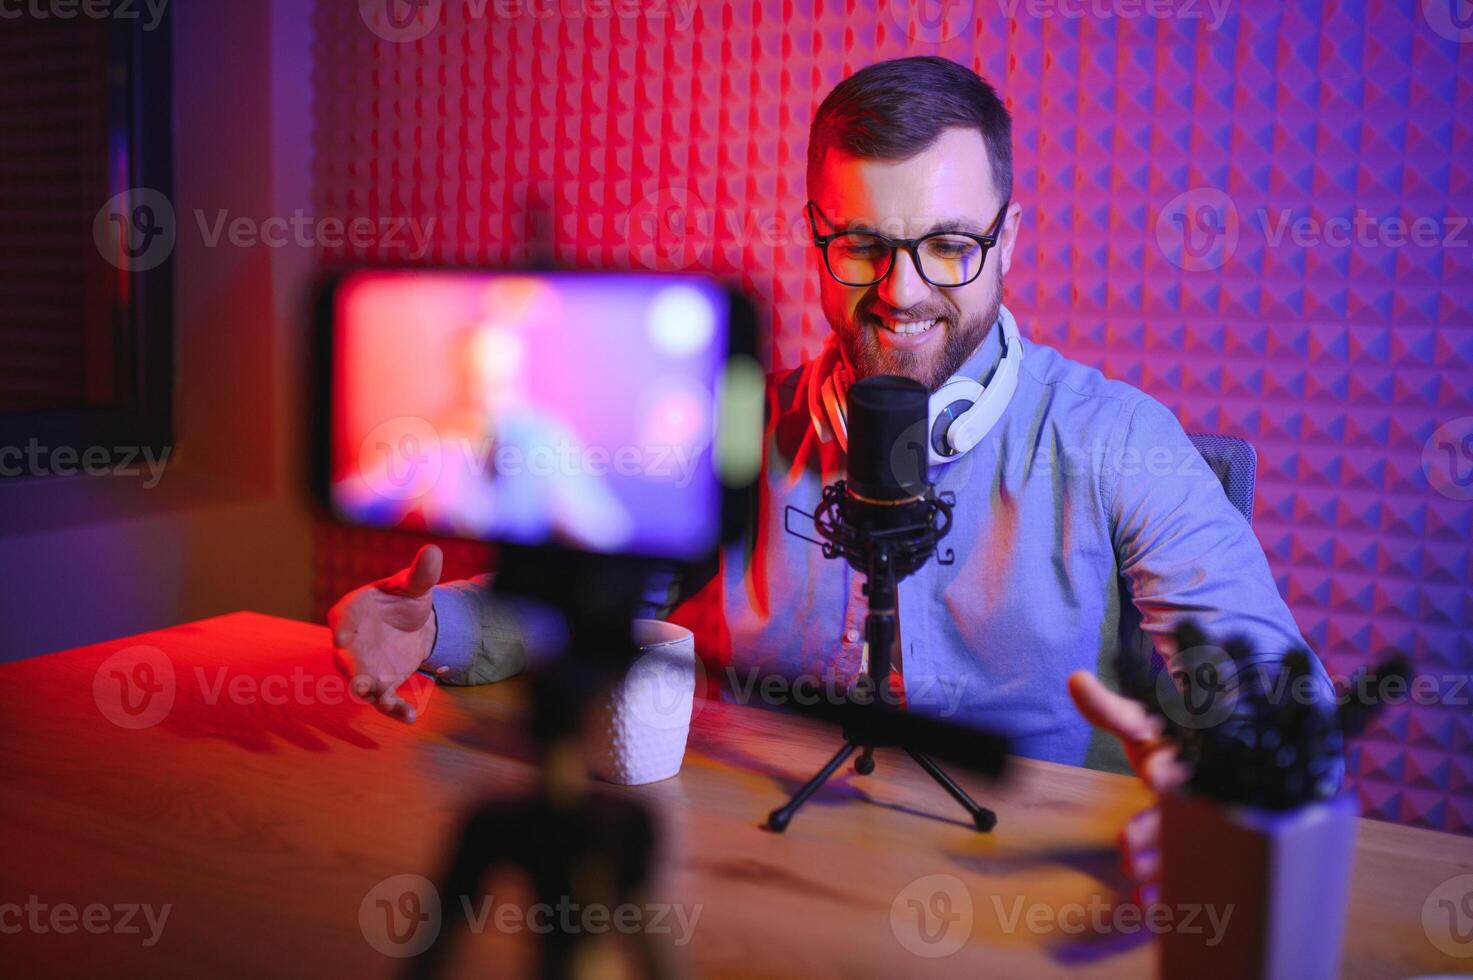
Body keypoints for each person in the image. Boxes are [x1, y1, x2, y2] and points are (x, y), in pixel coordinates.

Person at [328, 55, 1335, 903]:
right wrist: (430, 625)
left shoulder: (1118, 438)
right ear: (817, 234)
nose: (902, 293)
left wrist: (1238, 787)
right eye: (863, 246)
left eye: (950, 246)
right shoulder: (730, 430)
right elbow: (586, 605)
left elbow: (1270, 686)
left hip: (1018, 898)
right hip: (755, 881)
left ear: (1009, 241)